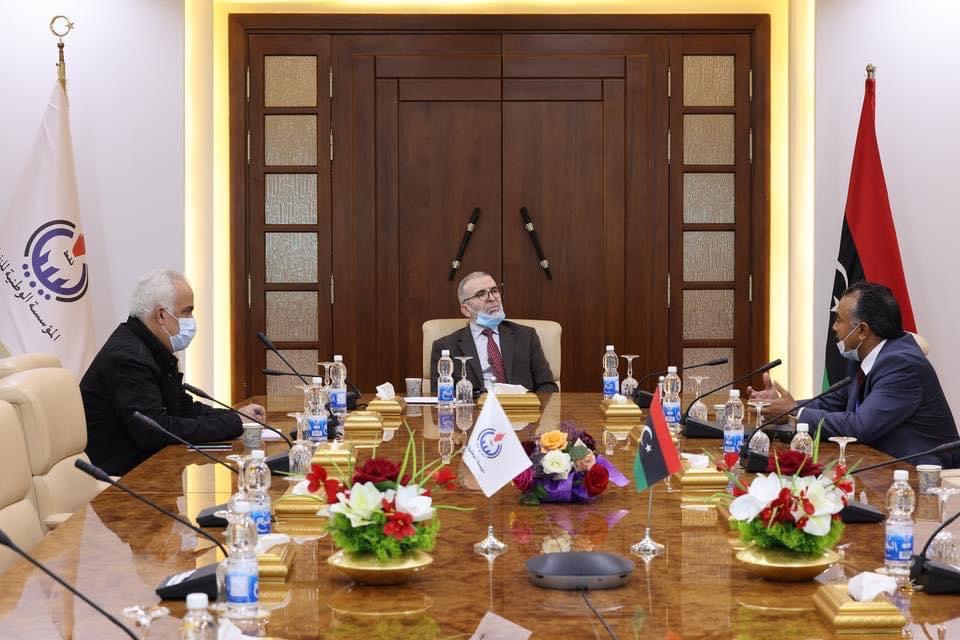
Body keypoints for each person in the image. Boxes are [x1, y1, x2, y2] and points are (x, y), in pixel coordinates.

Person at [749, 281, 958, 467]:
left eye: (839, 320)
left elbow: (860, 426)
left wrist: (794, 412)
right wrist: (781, 406)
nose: (834, 327)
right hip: (881, 465)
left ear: (862, 331)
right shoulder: (864, 357)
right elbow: (830, 403)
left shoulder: (901, 365)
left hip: (926, 475)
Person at [81, 269, 264, 475]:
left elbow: (182, 408)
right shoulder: (128, 358)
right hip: (122, 479)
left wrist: (236, 417)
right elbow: (155, 431)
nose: (191, 319)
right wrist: (234, 423)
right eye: (187, 312)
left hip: (150, 468)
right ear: (161, 315)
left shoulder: (152, 348)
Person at [429, 271, 558, 394]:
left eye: (494, 291)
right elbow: (440, 396)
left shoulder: (526, 336)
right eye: (481, 294)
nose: (492, 298)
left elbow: (548, 387)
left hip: (519, 407)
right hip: (474, 408)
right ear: (466, 310)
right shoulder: (446, 346)